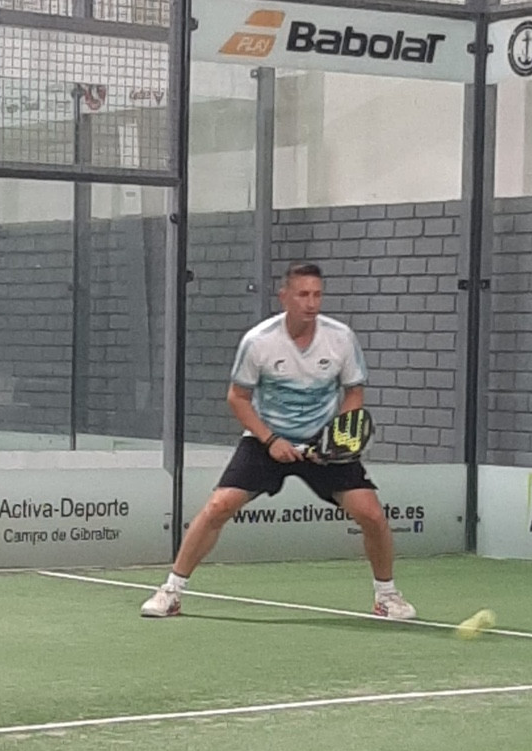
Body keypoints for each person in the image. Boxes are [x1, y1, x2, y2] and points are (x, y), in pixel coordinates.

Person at [140, 262, 417, 621]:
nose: (311, 303)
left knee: (372, 515)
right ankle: (171, 592)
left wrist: (336, 441)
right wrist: (271, 440)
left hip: (323, 442)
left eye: (317, 295)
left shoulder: (341, 338)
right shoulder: (259, 341)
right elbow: (237, 398)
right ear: (284, 297)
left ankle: (387, 597)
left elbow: (353, 392)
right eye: (303, 295)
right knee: (219, 506)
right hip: (265, 439)